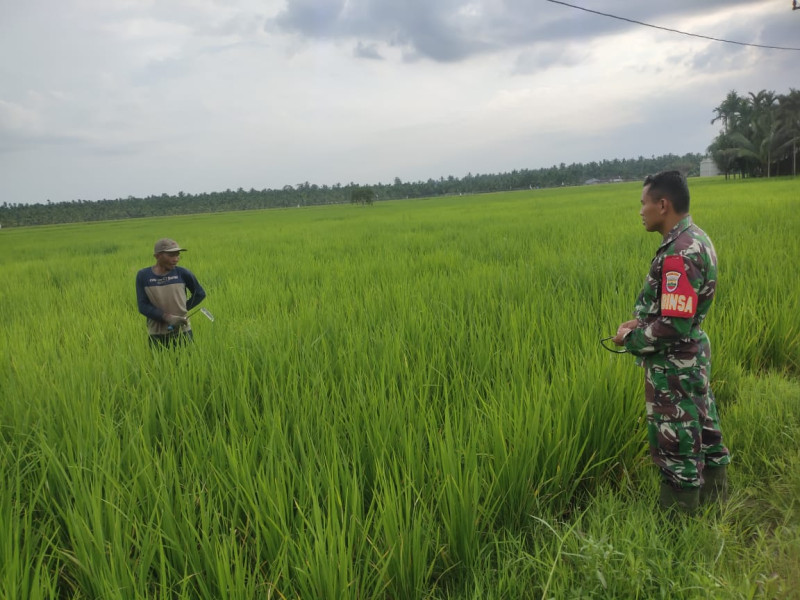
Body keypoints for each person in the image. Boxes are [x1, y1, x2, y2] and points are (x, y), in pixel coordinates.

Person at [612, 171, 730, 513]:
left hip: (675, 366)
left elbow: (674, 327)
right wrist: (643, 319)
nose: (640, 211)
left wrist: (630, 338)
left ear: (663, 205)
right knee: (705, 428)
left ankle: (679, 529)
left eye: (644, 203)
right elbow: (678, 313)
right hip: (692, 357)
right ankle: (716, 503)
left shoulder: (678, 254)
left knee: (677, 442)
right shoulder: (696, 238)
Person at [136, 238, 206, 347]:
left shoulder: (182, 273)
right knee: (161, 364)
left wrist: (181, 312)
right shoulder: (144, 276)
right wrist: (168, 318)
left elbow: (200, 294)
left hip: (182, 332)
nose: (176, 259)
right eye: (171, 255)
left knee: (187, 363)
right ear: (157, 256)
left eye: (178, 255)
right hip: (156, 333)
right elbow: (143, 306)